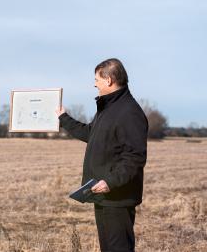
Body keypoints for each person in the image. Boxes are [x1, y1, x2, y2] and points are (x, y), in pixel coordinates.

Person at [56, 58, 148, 252]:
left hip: (117, 197)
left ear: (109, 80)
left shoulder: (129, 112)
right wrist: (63, 118)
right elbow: (91, 133)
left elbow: (135, 157)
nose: (94, 84)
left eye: (97, 79)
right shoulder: (108, 109)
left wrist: (110, 182)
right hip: (103, 194)